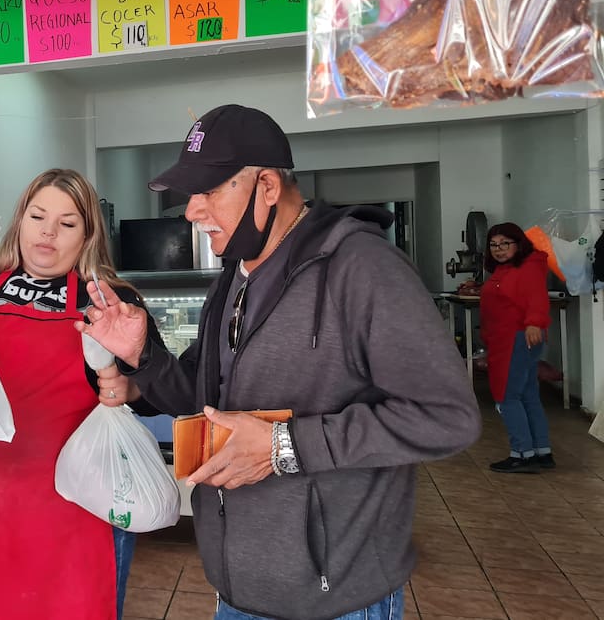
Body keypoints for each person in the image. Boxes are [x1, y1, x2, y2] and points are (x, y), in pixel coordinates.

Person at [79, 104, 481, 620]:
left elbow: (448, 416)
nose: (191, 211)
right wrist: (142, 355)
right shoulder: (234, 277)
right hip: (236, 590)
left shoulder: (363, 269)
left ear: (267, 185)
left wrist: (282, 446)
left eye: (208, 191)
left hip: (333, 598)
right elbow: (202, 401)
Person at [0, 169, 161, 619]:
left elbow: (156, 396)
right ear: (20, 222)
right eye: (38, 216)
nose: (48, 232)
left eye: (68, 223)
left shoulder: (110, 300)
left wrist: (128, 385)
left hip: (79, 499)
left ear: (88, 236)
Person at [481, 222, 553, 473]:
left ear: (518, 243)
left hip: (518, 337)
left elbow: (536, 297)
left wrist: (534, 323)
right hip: (510, 338)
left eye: (505, 244)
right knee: (527, 395)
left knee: (506, 397)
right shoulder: (507, 269)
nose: (499, 249)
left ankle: (522, 454)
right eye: (493, 245)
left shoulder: (528, 266)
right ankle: (542, 451)